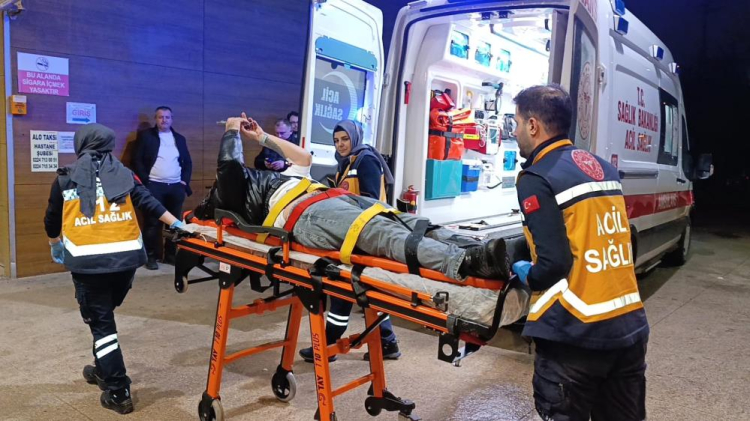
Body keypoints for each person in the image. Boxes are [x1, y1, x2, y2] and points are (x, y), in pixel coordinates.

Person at [194, 114, 510, 283]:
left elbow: (303, 157)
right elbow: (230, 165)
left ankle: (478, 250)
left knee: (405, 221)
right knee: (381, 232)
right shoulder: (229, 194)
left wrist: (261, 137)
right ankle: (467, 263)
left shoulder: (274, 176)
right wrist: (231, 130)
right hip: (303, 214)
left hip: (325, 199)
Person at [510, 85, 649, 421]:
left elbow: (554, 264)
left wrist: (526, 272)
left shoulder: (536, 178)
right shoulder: (604, 169)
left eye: (516, 123)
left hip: (575, 334)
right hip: (629, 328)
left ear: (533, 125)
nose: (514, 132)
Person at [44, 123, 186, 415]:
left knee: (102, 325)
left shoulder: (66, 177)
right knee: (103, 316)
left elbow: (52, 219)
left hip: (88, 264)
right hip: (125, 263)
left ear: (81, 144)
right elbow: (149, 202)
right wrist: (177, 224)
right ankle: (102, 368)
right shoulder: (125, 174)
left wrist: (54, 243)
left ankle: (118, 390)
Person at [299, 120, 400, 363]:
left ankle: (329, 343)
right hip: (352, 231)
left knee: (343, 286)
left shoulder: (366, 160)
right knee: (366, 290)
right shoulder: (346, 163)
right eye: (336, 140)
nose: (340, 144)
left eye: (344, 139)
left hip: (365, 231)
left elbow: (370, 199)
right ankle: (387, 342)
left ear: (354, 138)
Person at [133, 106, 193, 270]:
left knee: (174, 223)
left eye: (167, 117)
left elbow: (187, 163)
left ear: (171, 119)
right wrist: (146, 182)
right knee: (152, 222)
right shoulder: (146, 136)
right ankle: (151, 257)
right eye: (161, 117)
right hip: (154, 186)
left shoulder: (179, 139)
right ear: (156, 119)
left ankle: (170, 255)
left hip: (175, 187)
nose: (164, 120)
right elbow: (137, 160)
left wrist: (184, 182)